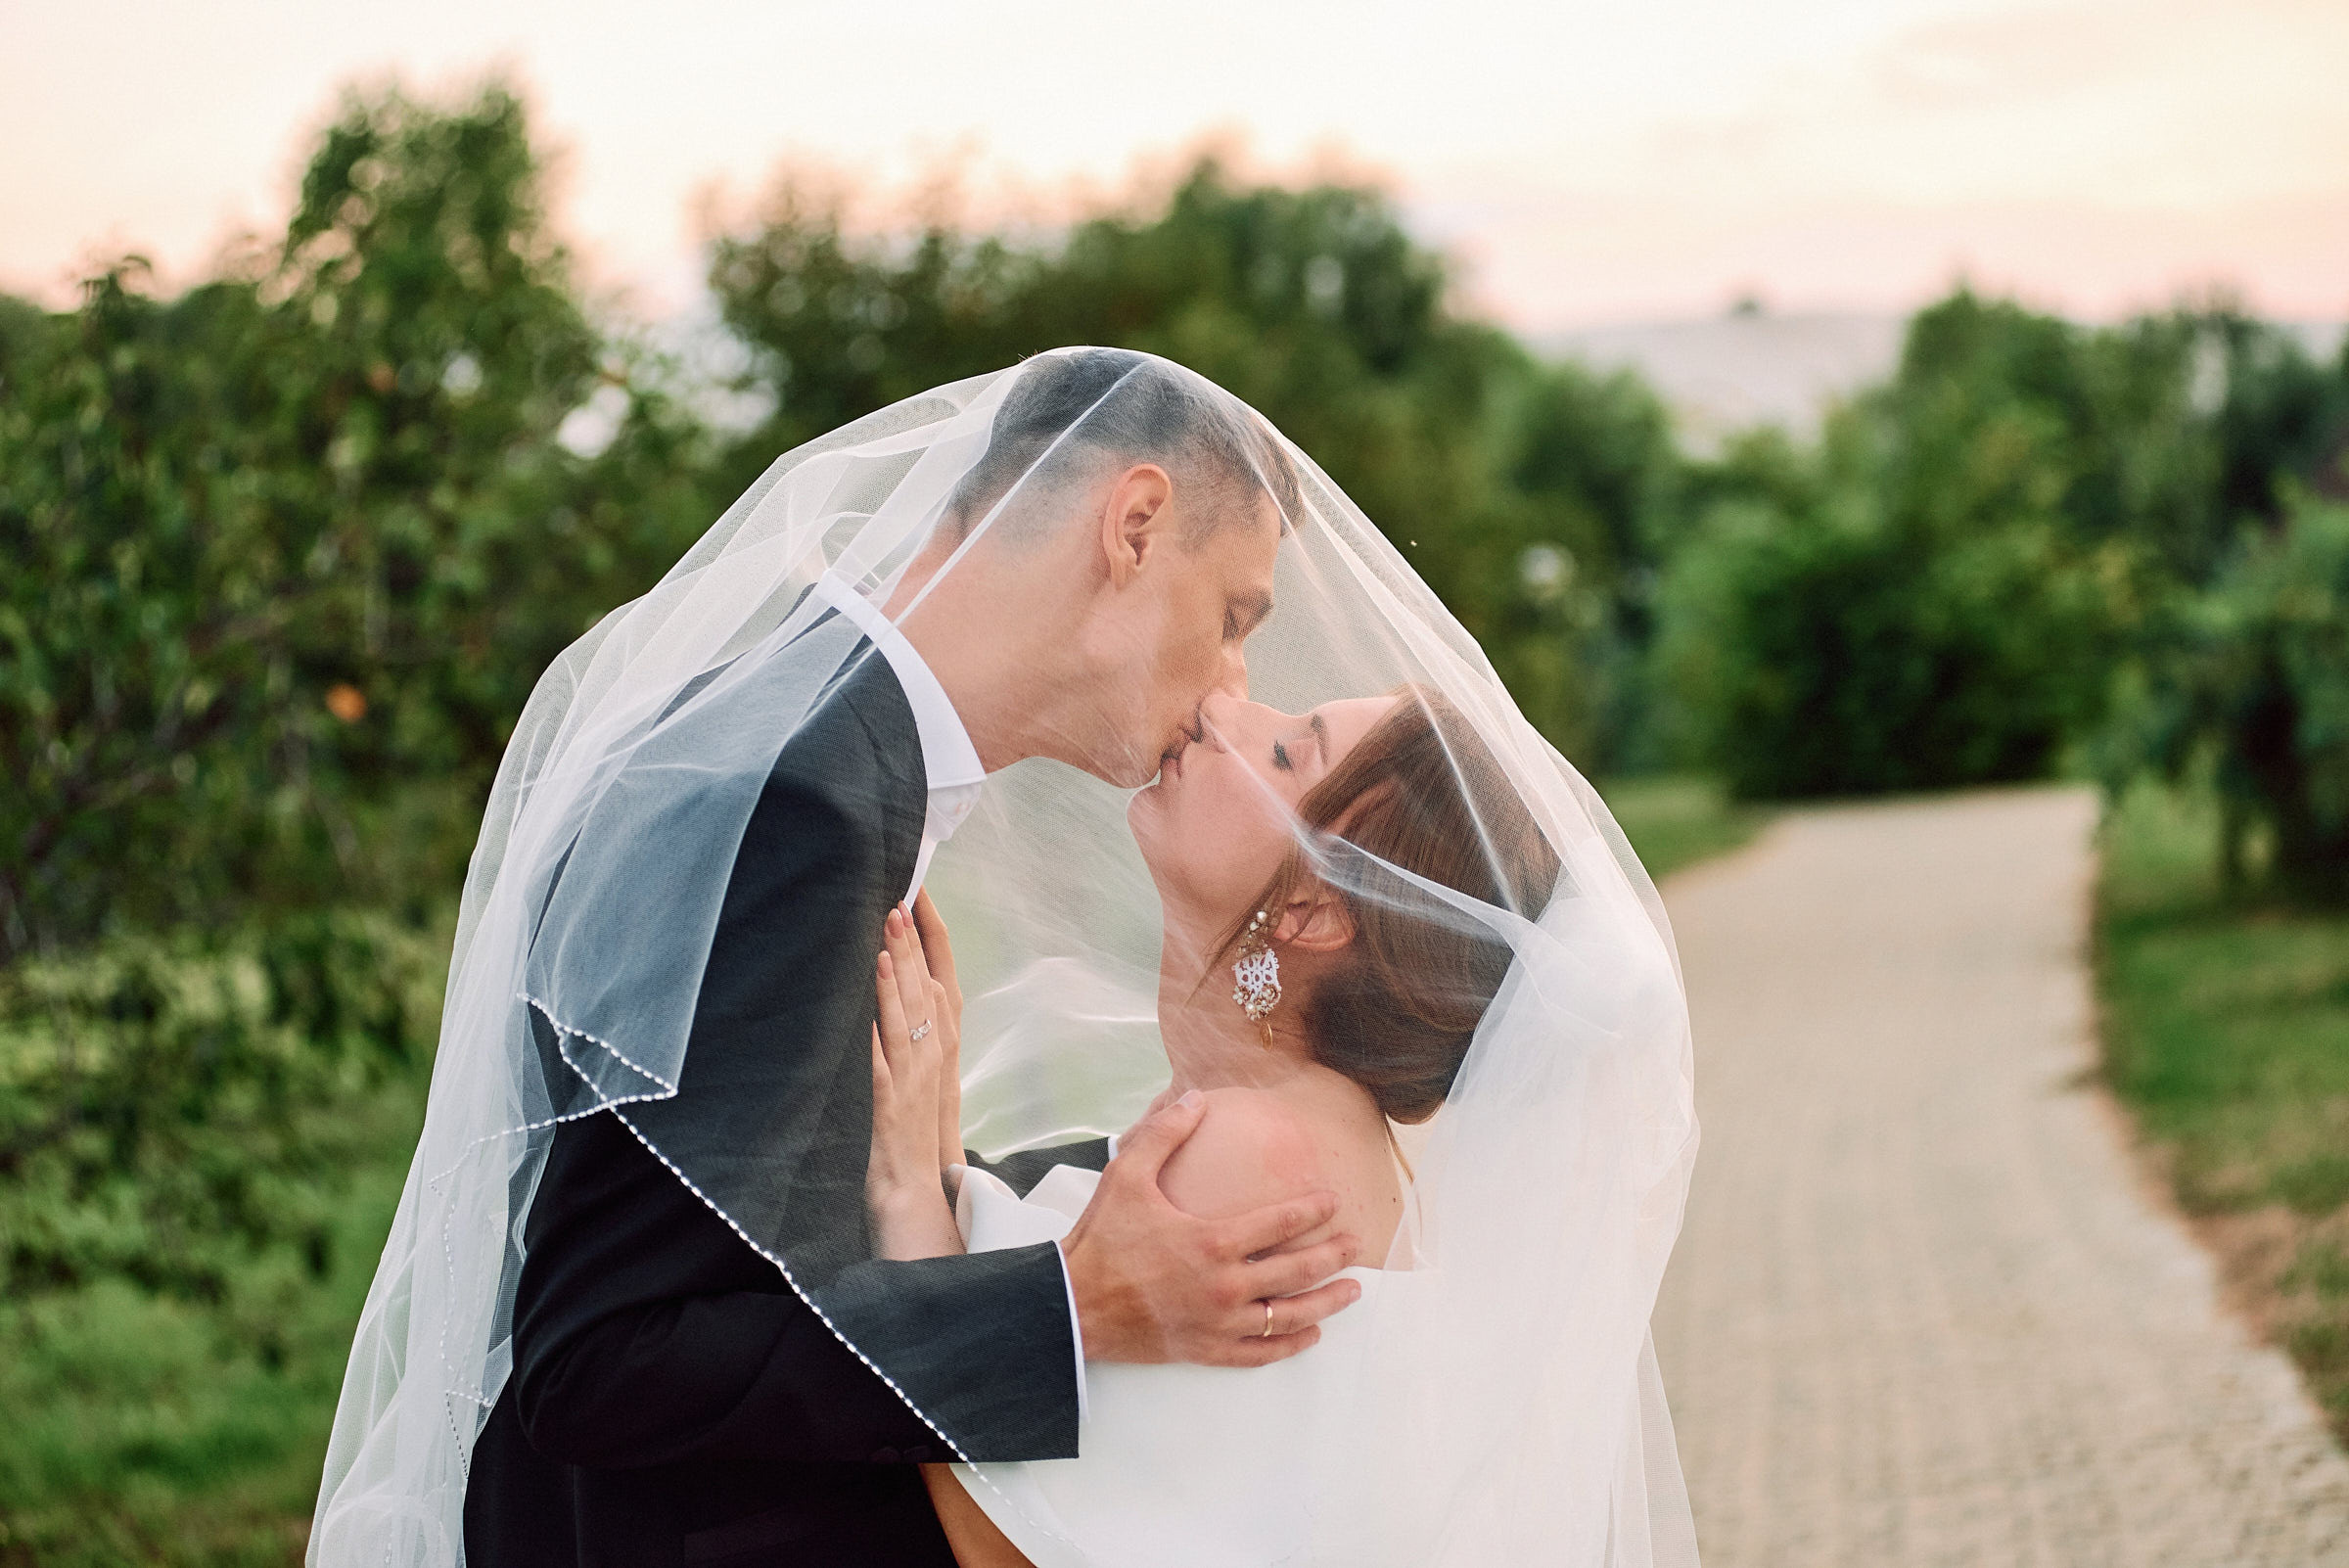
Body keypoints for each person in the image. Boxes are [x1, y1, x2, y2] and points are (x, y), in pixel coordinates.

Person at [313, 348, 1699, 1568]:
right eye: (1233, 617)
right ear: (1134, 526)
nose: (1228, 688)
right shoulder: (799, 797)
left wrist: (934, 1204)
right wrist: (1068, 1301)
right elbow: (602, 1357)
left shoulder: (823, 752)